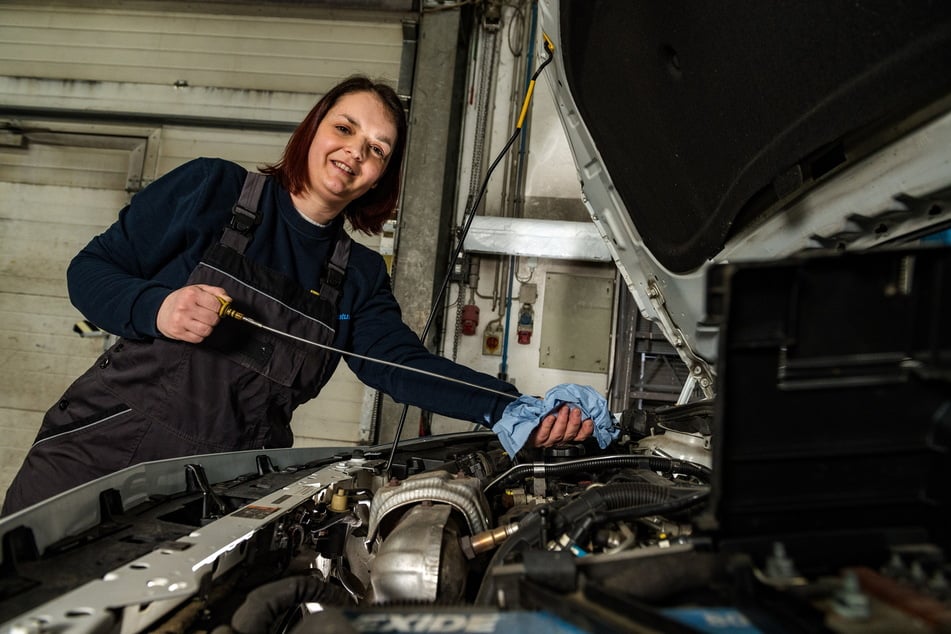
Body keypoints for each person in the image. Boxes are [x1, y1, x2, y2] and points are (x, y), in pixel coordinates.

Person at [1, 75, 601, 516]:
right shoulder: (212, 189)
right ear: (314, 127)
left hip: (224, 487)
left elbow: (399, 366)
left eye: (377, 149)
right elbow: (92, 269)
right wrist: (156, 308)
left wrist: (509, 406)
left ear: (382, 176)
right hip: (97, 452)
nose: (355, 153)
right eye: (345, 129)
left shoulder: (358, 274)